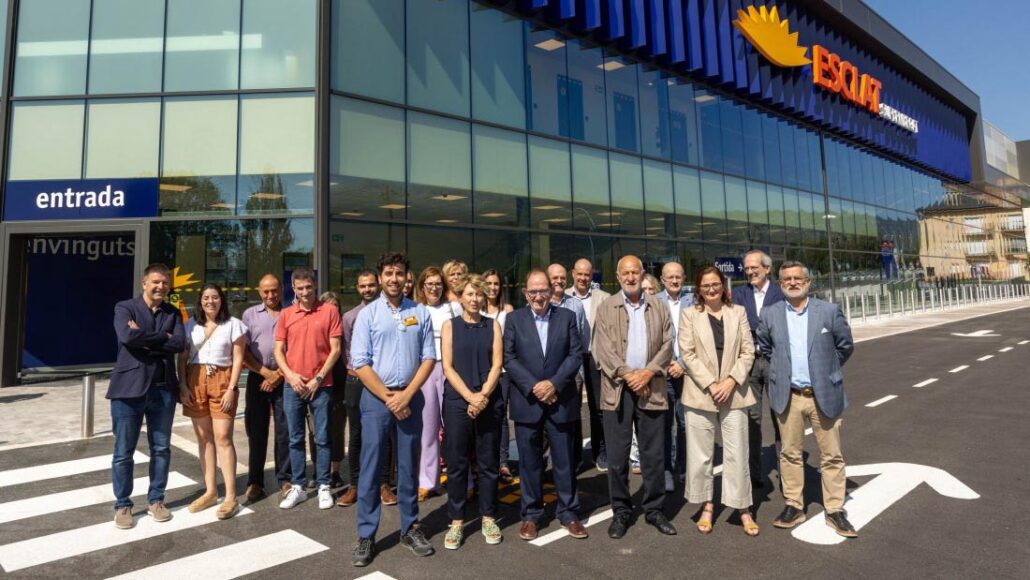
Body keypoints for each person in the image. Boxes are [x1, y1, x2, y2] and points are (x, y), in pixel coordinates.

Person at [756, 261, 857, 538]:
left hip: (823, 393)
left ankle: (835, 509)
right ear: (780, 284)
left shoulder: (829, 311)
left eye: (797, 278)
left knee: (832, 455)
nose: (792, 282)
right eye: (786, 279)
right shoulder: (770, 313)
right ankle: (794, 505)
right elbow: (766, 347)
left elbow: (845, 345)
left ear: (808, 282)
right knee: (789, 454)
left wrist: (827, 370)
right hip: (789, 396)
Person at [350, 252, 437, 566]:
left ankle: (410, 528)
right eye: (388, 273)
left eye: (399, 273)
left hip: (411, 397)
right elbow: (360, 363)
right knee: (371, 468)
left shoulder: (420, 312)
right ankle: (366, 535)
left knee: (408, 466)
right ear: (380, 277)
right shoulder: (368, 315)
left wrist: (407, 395)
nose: (394, 279)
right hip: (377, 399)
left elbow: (429, 358)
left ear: (407, 278)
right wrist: (391, 398)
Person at [593, 256, 676, 539]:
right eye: (625, 273)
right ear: (618, 277)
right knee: (617, 458)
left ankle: (654, 510)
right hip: (617, 390)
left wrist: (648, 373)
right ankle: (621, 511)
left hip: (651, 386)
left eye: (635, 272)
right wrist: (630, 376)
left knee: (653, 455)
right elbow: (603, 350)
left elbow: (668, 344)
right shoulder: (607, 307)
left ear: (642, 274)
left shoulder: (658, 306)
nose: (630, 277)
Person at [504, 269, 587, 541]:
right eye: (533, 291)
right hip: (528, 400)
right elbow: (509, 357)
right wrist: (535, 386)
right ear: (525, 293)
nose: (538, 296)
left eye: (543, 291)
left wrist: (553, 384)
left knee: (564, 461)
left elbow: (575, 354)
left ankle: (569, 513)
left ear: (551, 292)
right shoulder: (514, 319)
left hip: (560, 399)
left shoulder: (567, 317)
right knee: (529, 463)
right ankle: (531, 515)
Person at [679, 266, 758, 536]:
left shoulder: (738, 312)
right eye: (705, 286)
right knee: (701, 454)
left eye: (715, 284)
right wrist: (712, 384)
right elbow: (687, 353)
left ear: (723, 286)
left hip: (734, 391)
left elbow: (748, 351)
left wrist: (731, 381)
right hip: (701, 392)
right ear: (698, 289)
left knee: (737, 453)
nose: (711, 289)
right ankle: (707, 504)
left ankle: (742, 507)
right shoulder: (689, 315)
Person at [109, 263, 185, 529]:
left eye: (165, 283)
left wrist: (143, 337)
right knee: (123, 451)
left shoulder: (172, 312)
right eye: (156, 282)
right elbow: (126, 336)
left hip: (163, 389)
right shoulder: (125, 308)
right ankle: (123, 504)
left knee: (161, 449)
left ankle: (156, 500)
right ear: (144, 283)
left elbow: (179, 343)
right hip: (128, 389)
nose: (161, 287)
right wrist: (162, 337)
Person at [440, 274, 505, 549]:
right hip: (458, 402)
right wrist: (470, 397)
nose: (475, 299)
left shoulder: (493, 325)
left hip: (488, 399)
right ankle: (456, 521)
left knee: (488, 463)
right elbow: (447, 366)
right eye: (469, 294)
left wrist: (482, 396)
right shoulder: (449, 326)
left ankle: (488, 517)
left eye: (479, 294)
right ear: (460, 297)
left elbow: (497, 364)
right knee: (457, 464)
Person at [274, 268, 343, 511]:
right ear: (294, 289)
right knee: (295, 438)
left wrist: (318, 377)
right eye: (300, 288)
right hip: (292, 385)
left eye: (309, 287)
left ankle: (323, 485)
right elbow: (278, 351)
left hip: (321, 385)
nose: (305, 292)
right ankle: (299, 486)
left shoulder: (329, 311)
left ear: (315, 286)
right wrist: (291, 376)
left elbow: (335, 349)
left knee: (322, 438)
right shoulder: (286, 314)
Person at [178, 283, 247, 520]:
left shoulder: (234, 325)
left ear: (221, 300)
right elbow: (182, 358)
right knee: (204, 438)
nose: (210, 301)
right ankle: (210, 491)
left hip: (222, 380)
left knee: (223, 437)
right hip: (195, 380)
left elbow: (238, 359)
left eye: (215, 297)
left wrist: (232, 388)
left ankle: (230, 496)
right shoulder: (190, 325)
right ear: (200, 301)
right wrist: (183, 384)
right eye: (206, 297)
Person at [336, 270, 395, 508]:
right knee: (357, 434)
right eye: (363, 286)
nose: (367, 289)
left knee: (383, 433)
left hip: (382, 381)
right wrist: (356, 371)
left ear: (378, 284)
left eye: (371, 285)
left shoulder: (389, 313)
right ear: (357, 288)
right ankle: (355, 485)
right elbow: (346, 350)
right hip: (356, 381)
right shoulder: (350, 316)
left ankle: (384, 484)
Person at [730, 250, 785, 490]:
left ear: (767, 269)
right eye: (747, 268)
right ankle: (754, 475)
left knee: (780, 417)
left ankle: (787, 475)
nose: (750, 271)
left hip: (775, 362)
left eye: (754, 267)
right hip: (749, 364)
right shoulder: (739, 294)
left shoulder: (781, 293)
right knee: (752, 420)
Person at [414, 266, 463, 501]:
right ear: (422, 286)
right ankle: (427, 481)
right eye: (429, 284)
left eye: (438, 283)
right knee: (428, 428)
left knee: (456, 427)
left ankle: (463, 480)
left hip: (451, 368)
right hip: (426, 369)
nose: (434, 288)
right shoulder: (415, 310)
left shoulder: (454, 308)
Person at [241, 274, 291, 503]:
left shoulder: (290, 312)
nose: (270, 295)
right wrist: (265, 373)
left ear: (281, 289)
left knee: (285, 431)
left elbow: (295, 348)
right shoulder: (249, 315)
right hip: (257, 378)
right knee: (256, 431)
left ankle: (285, 479)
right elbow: (244, 351)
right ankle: (255, 482)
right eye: (266, 291)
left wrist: (278, 374)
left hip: (285, 377)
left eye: (274, 290)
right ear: (259, 292)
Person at [566, 258, 611, 472]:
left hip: (595, 357)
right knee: (572, 409)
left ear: (591, 276)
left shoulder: (604, 298)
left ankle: (600, 452)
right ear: (573, 274)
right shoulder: (564, 296)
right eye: (580, 274)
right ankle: (575, 456)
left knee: (597, 408)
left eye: (587, 274)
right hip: (572, 358)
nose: (583, 278)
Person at [546, 263, 587, 468]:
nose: (559, 281)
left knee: (572, 415)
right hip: (546, 370)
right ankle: (550, 459)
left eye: (562, 278)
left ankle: (574, 459)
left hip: (572, 372)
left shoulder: (576, 305)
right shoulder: (539, 303)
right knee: (548, 414)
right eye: (555, 278)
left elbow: (581, 339)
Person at [657, 262, 692, 491]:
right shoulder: (653, 302)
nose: (674, 280)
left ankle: (684, 468)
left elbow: (699, 337)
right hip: (663, 372)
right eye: (670, 277)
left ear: (684, 278)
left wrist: (682, 363)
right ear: (662, 279)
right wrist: (668, 362)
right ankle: (666, 470)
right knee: (664, 424)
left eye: (678, 276)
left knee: (685, 423)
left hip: (687, 372)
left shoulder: (694, 301)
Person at [482, 269, 515, 481]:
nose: (493, 288)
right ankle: (485, 460)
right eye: (489, 283)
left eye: (496, 284)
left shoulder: (507, 310)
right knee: (483, 415)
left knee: (500, 416)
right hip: (481, 370)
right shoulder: (475, 309)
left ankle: (502, 462)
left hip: (502, 372)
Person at [319, 290, 350, 489]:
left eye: (335, 306)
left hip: (340, 385)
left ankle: (335, 471)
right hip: (319, 384)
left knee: (337, 429)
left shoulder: (344, 328)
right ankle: (319, 470)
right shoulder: (317, 326)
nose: (332, 310)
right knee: (318, 430)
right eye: (327, 306)